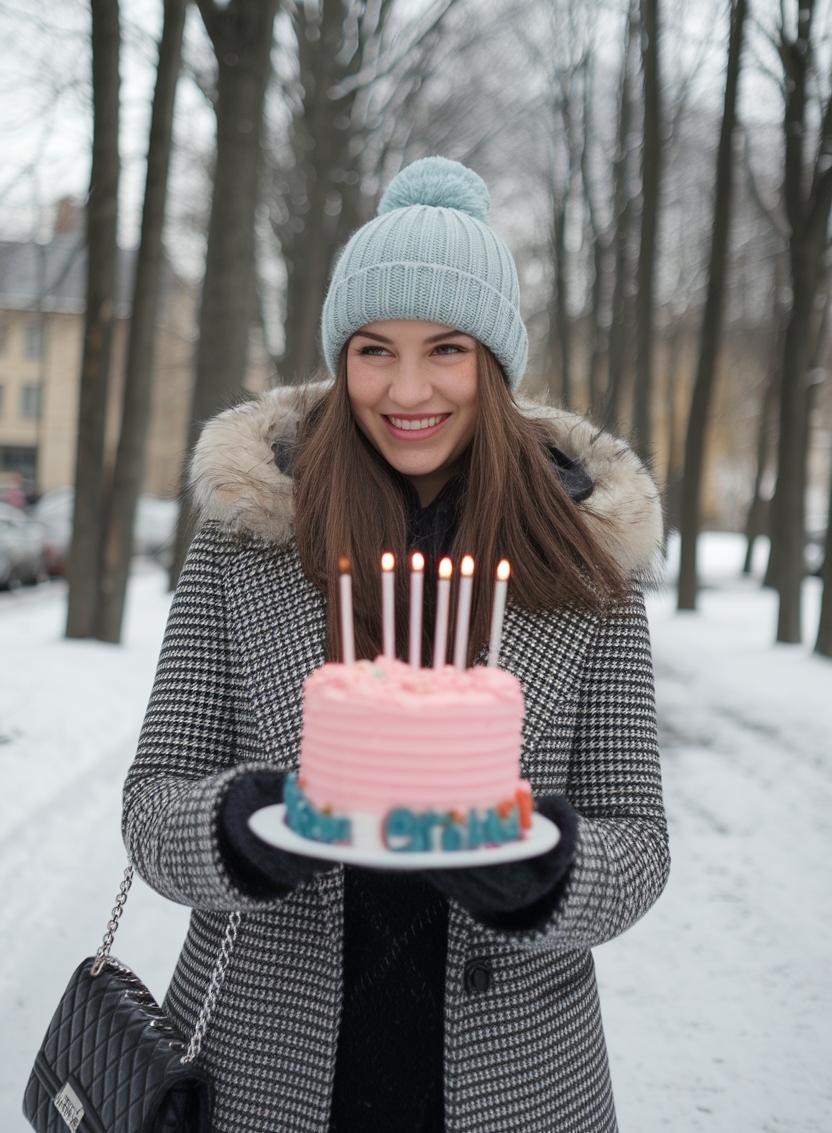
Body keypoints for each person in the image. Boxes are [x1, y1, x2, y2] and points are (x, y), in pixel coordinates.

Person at [123, 156, 669, 1133]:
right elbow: (155, 795)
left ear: (492, 364)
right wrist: (231, 832)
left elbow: (638, 838)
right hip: (263, 1063)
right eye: (374, 349)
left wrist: (553, 872)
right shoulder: (246, 540)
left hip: (518, 1080)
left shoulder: (588, 560)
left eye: (445, 350)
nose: (405, 388)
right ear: (341, 356)